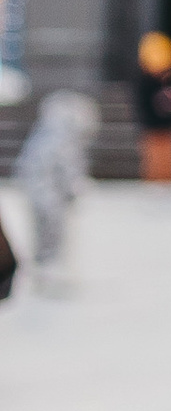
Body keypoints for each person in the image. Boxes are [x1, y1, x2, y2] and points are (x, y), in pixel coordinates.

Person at [17, 89, 98, 291]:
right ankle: (48, 268)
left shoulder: (44, 136)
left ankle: (45, 268)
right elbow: (66, 169)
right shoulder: (60, 140)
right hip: (49, 197)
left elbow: (26, 165)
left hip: (42, 194)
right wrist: (72, 187)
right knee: (51, 233)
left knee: (45, 233)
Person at [134, 29, 171, 183]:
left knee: (168, 162)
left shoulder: (170, 80)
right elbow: (144, 104)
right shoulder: (146, 82)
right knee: (155, 161)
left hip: (168, 126)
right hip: (153, 127)